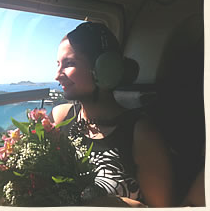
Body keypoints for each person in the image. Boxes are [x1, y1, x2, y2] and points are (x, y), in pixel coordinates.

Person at [49, 21, 173, 207]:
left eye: (69, 63)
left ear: (104, 69)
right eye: (58, 64)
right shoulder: (60, 117)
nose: (57, 75)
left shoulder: (141, 134)